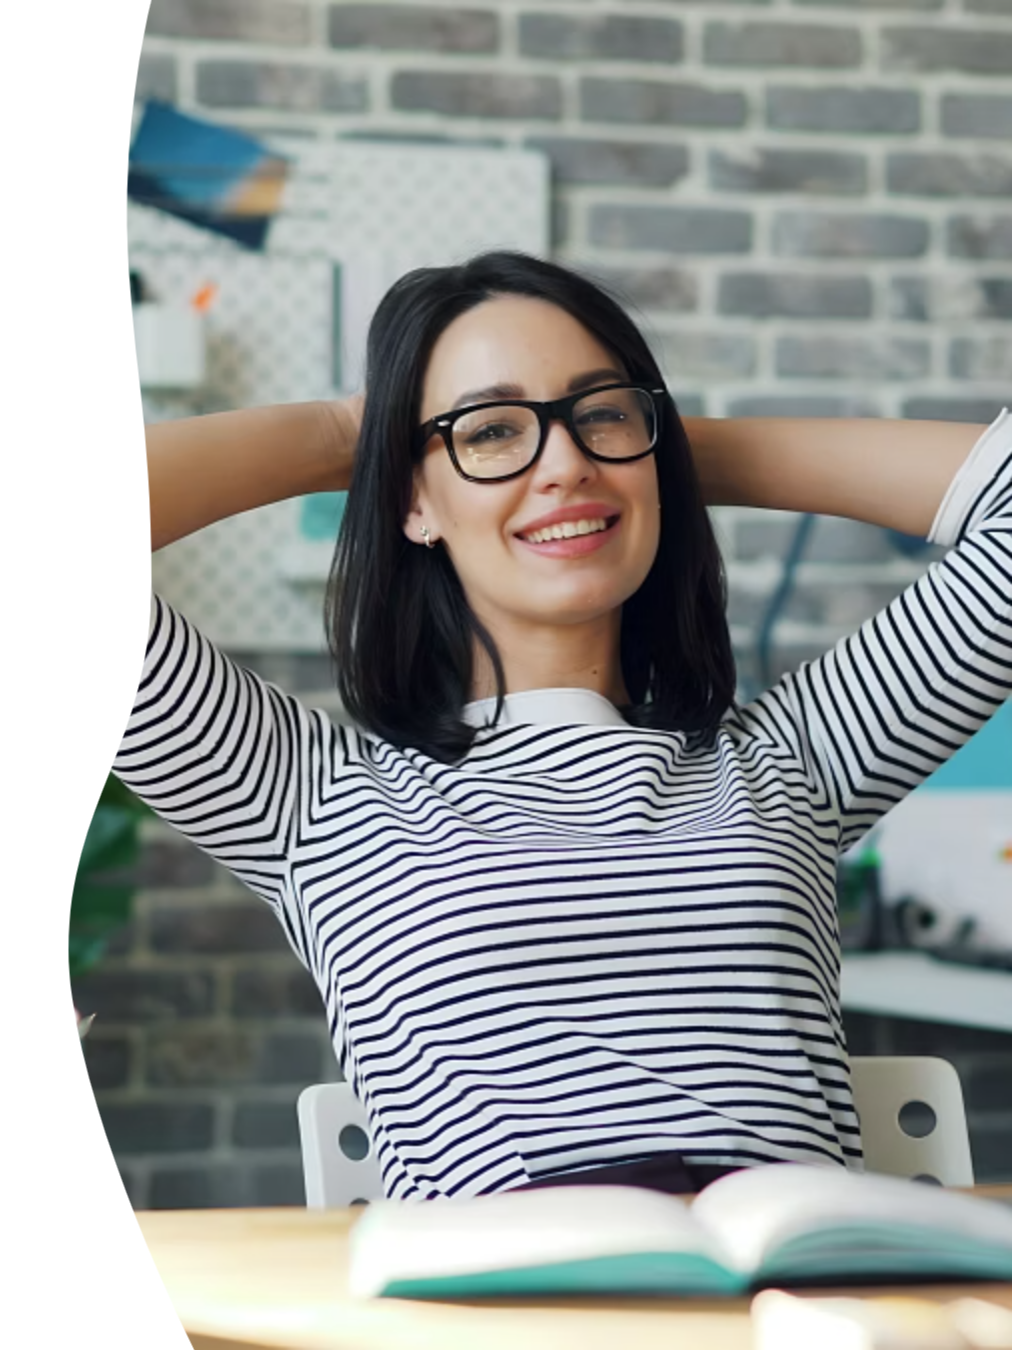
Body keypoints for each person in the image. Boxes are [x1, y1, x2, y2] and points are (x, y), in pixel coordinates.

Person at [116, 251, 1012, 1200]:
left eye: (600, 413)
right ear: (412, 500)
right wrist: (350, 432)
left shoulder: (793, 761)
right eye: (491, 431)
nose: (564, 465)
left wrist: (651, 456)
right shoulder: (308, 799)